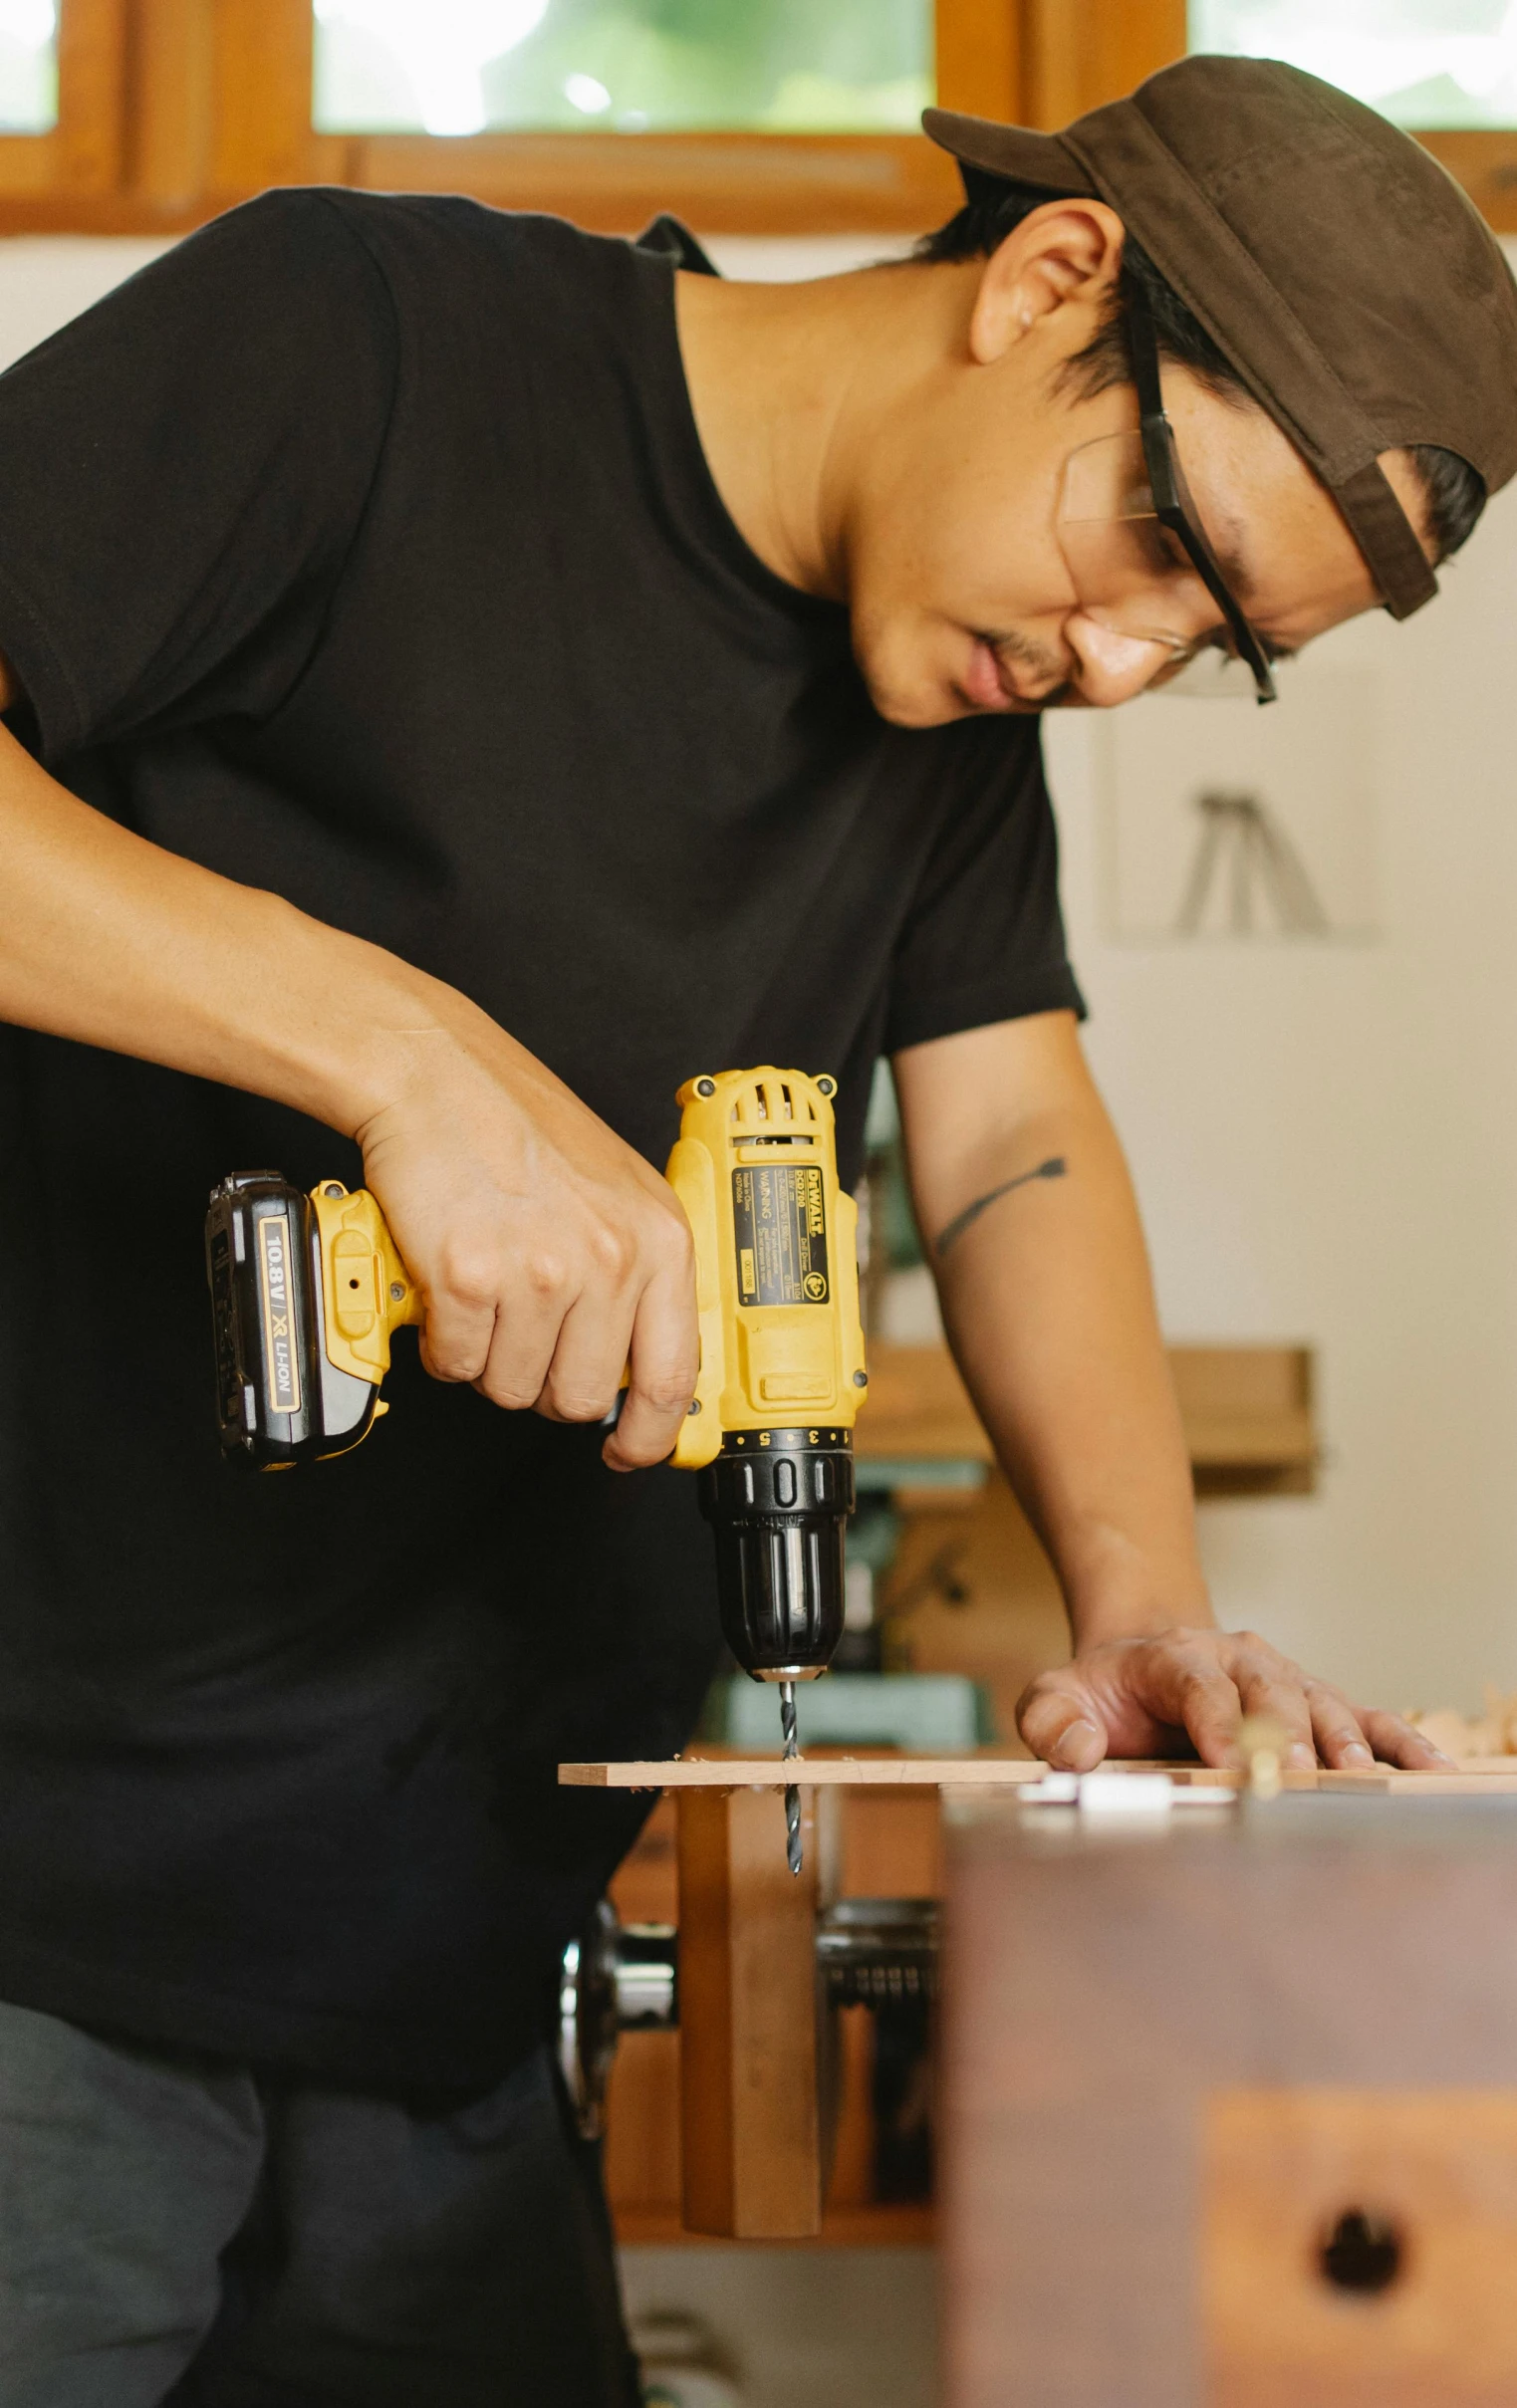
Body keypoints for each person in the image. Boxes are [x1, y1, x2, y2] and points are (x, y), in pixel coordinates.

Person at [0, 51, 1508, 2405]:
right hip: (41, 1943)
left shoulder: (949, 714)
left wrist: (1139, 1618)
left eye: (1211, 649)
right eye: (1154, 547)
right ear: (1046, 278)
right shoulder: (364, 349)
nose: (1124, 665)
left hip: (449, 1983)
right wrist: (410, 1063)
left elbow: (1011, 1128)